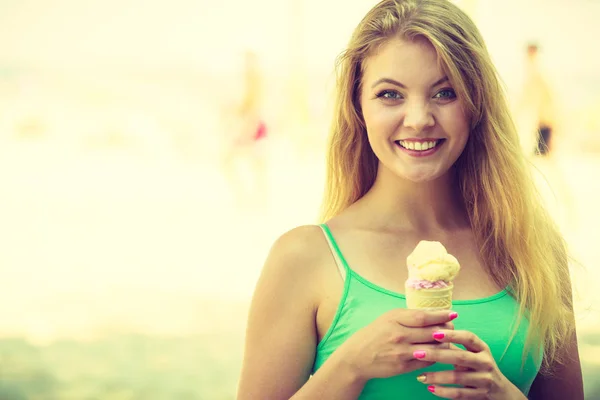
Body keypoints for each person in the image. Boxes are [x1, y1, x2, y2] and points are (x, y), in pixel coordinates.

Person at [237, 1, 584, 399]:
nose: (419, 118)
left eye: (445, 92)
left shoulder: (533, 251)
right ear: (358, 106)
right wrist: (351, 366)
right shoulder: (302, 257)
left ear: (476, 105)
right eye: (390, 94)